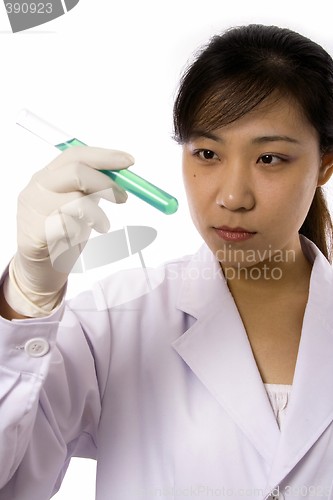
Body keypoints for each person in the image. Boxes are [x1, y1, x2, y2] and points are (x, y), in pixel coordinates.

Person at [1, 23, 333, 500]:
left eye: (270, 159)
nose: (233, 196)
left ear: (324, 163)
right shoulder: (112, 324)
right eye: (207, 152)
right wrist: (26, 301)